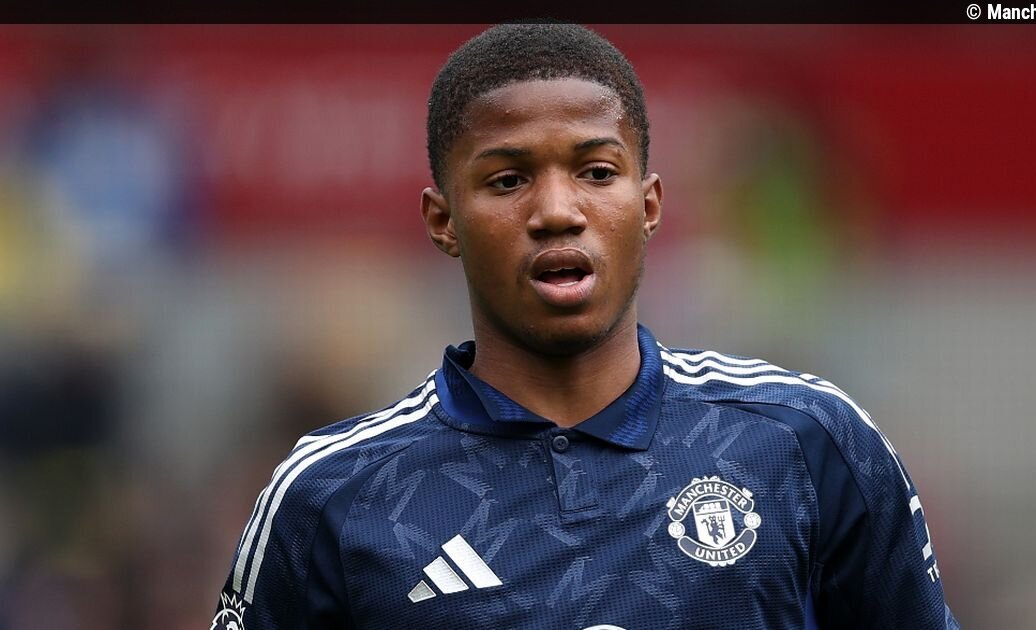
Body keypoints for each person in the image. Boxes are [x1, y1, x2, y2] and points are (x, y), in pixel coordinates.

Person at [212, 22, 959, 629]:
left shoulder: (806, 442)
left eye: (597, 172)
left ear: (650, 204)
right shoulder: (332, 495)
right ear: (443, 221)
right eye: (508, 180)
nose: (557, 211)